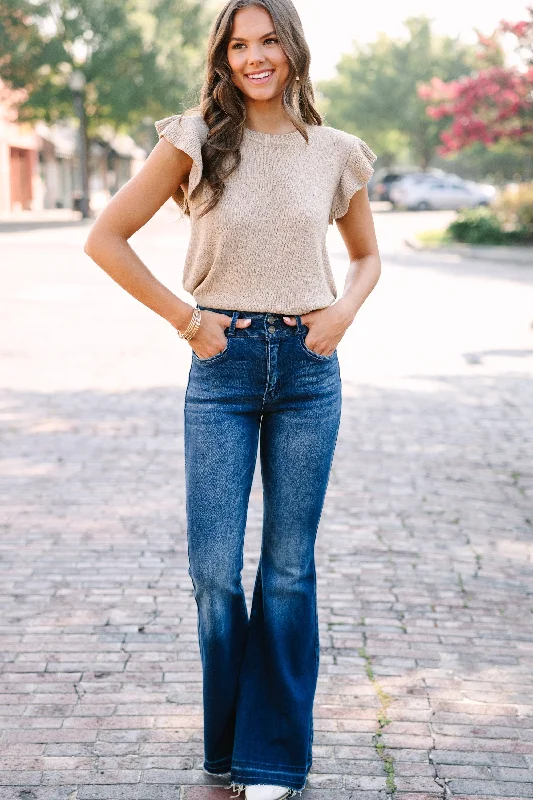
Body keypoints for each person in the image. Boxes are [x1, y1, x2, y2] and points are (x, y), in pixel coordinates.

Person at [84, 0, 381, 797]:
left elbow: (363, 261)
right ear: (223, 55)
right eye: (239, 44)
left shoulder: (336, 152)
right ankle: (224, 753)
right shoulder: (192, 140)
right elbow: (104, 237)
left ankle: (274, 760)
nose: (255, 57)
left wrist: (342, 313)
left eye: (268, 40)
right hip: (222, 368)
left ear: (291, 47)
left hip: (309, 373)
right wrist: (187, 320)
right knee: (214, 570)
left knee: (287, 571)